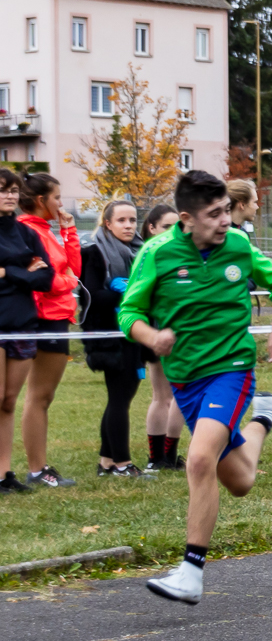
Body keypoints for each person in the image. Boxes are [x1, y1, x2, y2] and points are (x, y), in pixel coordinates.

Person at [120, 170, 272, 604]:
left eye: (226, 211)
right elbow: (129, 313)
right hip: (185, 378)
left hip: (231, 368)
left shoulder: (238, 245)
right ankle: (264, 417)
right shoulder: (157, 253)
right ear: (187, 218)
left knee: (199, 460)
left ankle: (191, 571)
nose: (224, 221)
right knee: (239, 480)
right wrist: (151, 337)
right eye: (215, 214)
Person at [16, 172, 81, 488]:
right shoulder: (28, 231)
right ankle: (37, 469)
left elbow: (73, 268)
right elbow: (48, 280)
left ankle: (39, 467)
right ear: (41, 200)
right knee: (38, 395)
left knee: (43, 395)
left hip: (57, 316)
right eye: (56, 197)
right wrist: (69, 282)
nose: (61, 203)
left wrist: (69, 231)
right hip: (44, 317)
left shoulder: (45, 230)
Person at [81, 200, 153, 479]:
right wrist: (126, 293)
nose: (128, 225)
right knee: (120, 398)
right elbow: (92, 296)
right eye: (121, 220)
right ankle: (123, 463)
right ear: (107, 223)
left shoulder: (141, 252)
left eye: (132, 220)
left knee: (122, 397)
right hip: (109, 336)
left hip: (134, 331)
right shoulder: (94, 252)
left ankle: (107, 462)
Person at [0, 168, 52, 494]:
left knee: (8, 401)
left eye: (14, 190)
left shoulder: (25, 233)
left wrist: (9, 273)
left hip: (22, 323)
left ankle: (4, 473)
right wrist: (26, 270)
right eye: (3, 189)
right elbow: (33, 273)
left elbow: (45, 279)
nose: (9, 195)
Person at [140, 205, 187, 471]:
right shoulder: (150, 254)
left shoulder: (180, 253)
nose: (173, 231)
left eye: (177, 226)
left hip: (181, 330)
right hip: (158, 330)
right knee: (162, 396)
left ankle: (168, 455)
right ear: (152, 228)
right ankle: (156, 457)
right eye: (167, 226)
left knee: (178, 395)